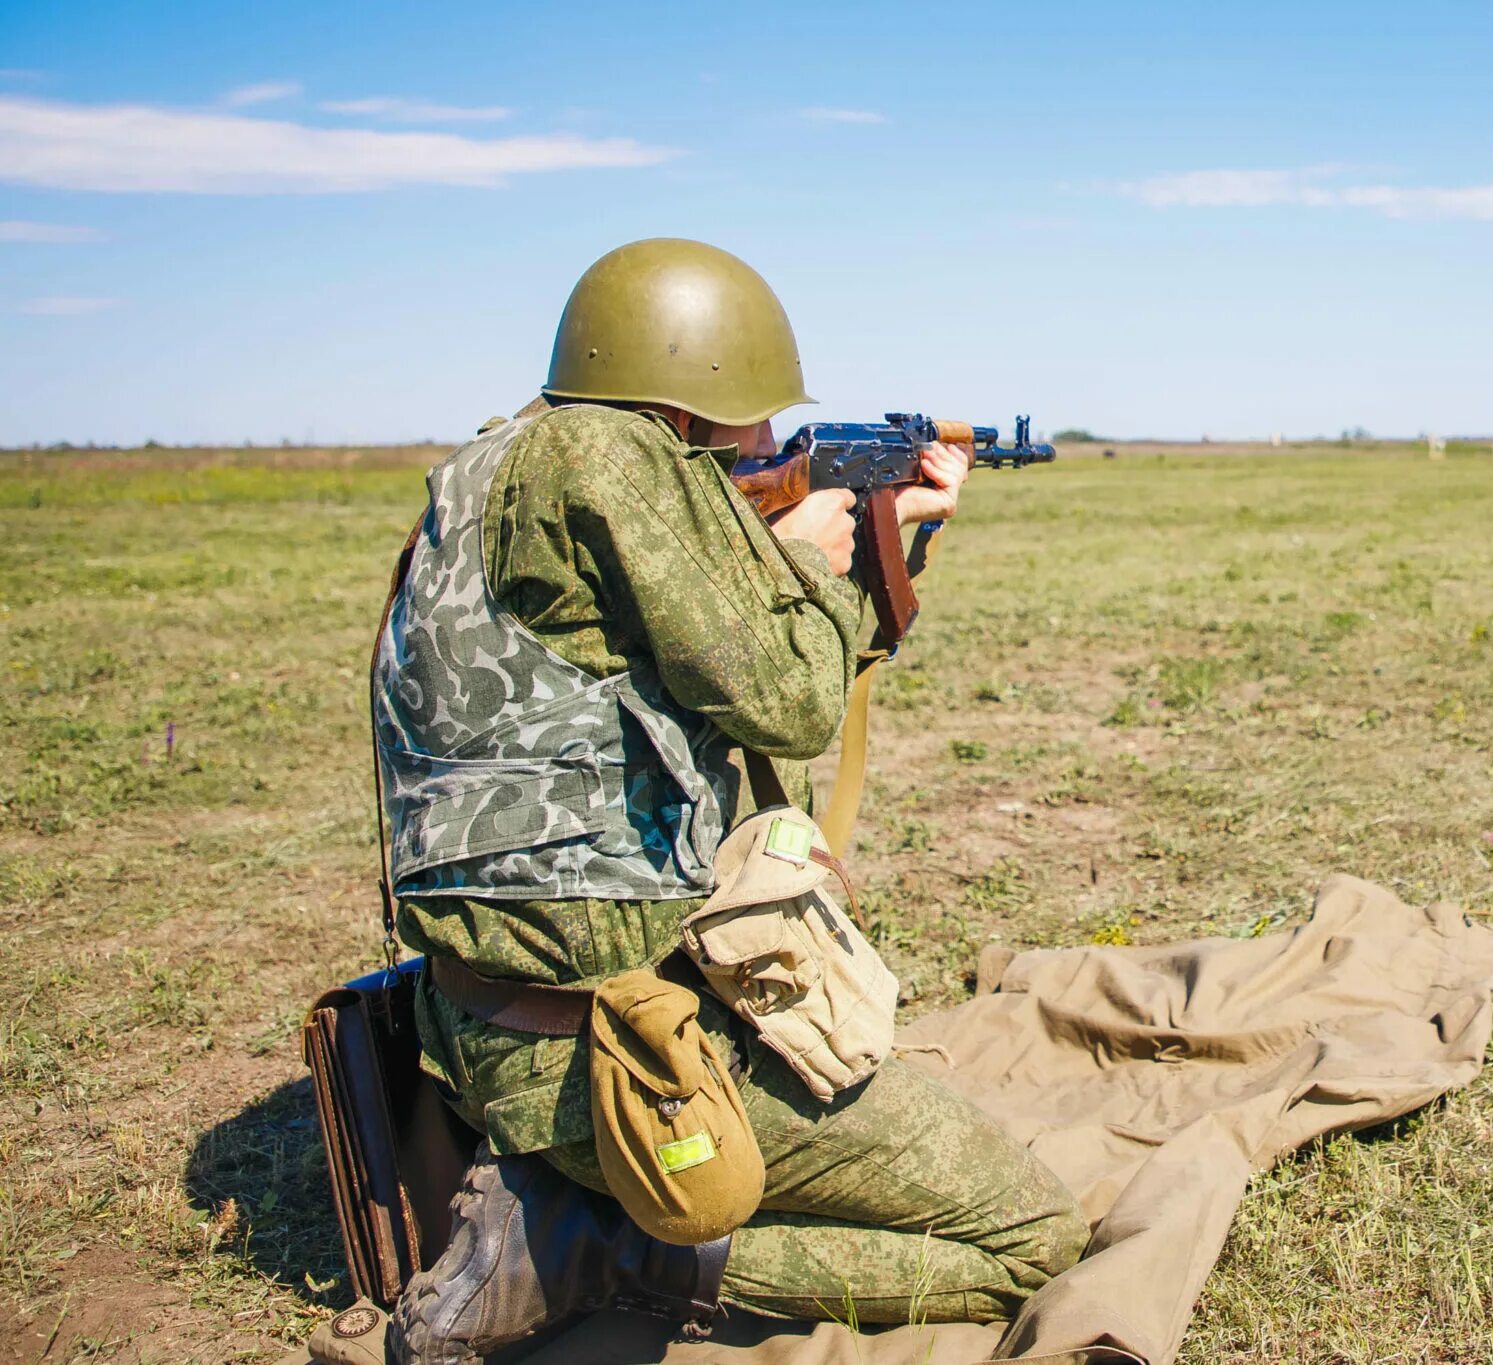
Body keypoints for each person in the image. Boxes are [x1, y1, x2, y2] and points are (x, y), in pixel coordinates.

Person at [314, 240, 1086, 1364]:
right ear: (696, 396)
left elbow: (716, 683)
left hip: (494, 1013)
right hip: (618, 1046)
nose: (767, 448)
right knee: (1034, 1237)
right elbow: (788, 706)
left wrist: (862, 550)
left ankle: (569, 1200)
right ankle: (590, 1246)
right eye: (755, 425)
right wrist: (813, 564)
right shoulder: (612, 465)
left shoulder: (497, 461)